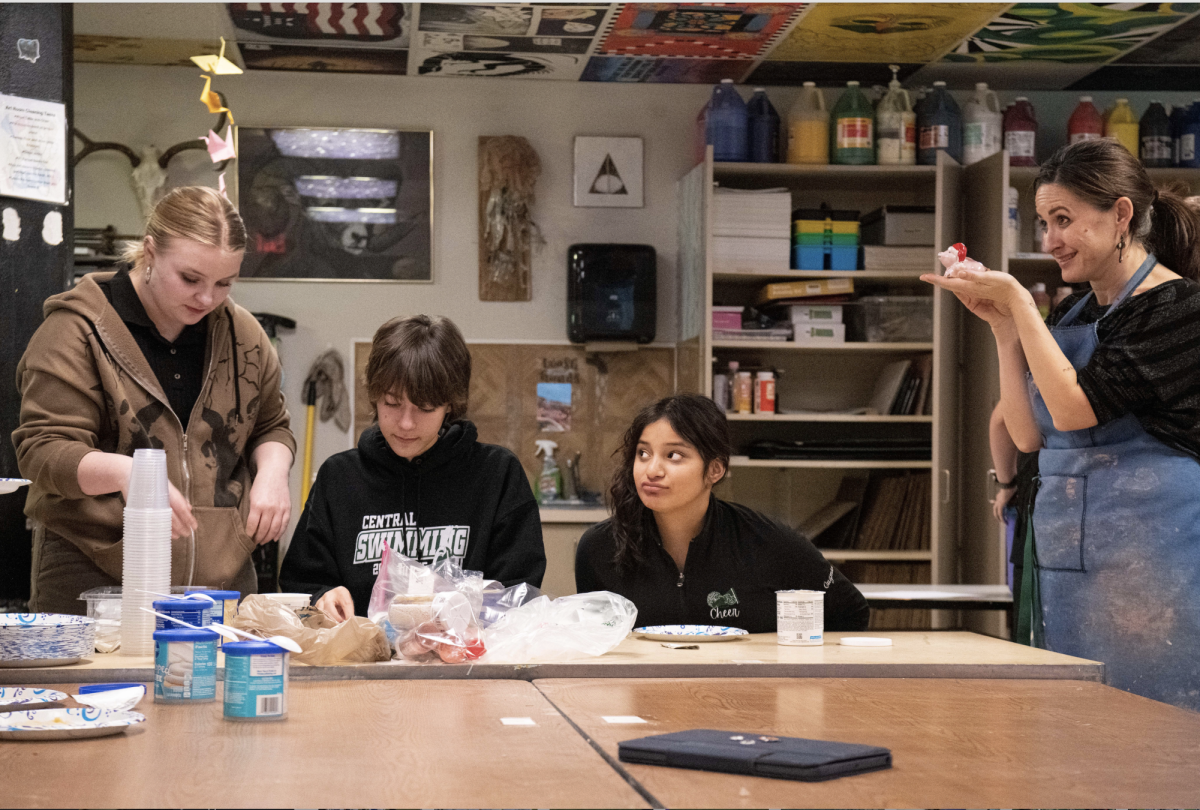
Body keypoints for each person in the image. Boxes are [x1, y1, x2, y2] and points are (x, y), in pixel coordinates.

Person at [923, 138, 1200, 710]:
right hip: (1067, 548)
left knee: (1154, 723)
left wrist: (1021, 305)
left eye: (1065, 220)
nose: (1050, 240)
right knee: (1074, 719)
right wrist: (1003, 327)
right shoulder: (1075, 312)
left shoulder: (1179, 308)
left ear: (1121, 214)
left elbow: (1076, 412)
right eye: (1044, 222)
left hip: (1155, 551)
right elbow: (1029, 435)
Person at [14, 186, 295, 613]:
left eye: (224, 283)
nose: (207, 298)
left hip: (218, 586)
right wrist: (129, 475)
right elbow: (43, 451)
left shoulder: (244, 336)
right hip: (94, 581)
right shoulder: (75, 331)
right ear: (149, 252)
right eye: (190, 278)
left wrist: (273, 473)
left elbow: (271, 424)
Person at [280, 315, 545, 621]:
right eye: (392, 403)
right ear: (375, 396)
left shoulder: (497, 475)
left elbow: (519, 593)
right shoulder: (339, 478)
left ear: (450, 405)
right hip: (361, 660)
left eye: (425, 408)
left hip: (467, 663)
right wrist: (321, 597)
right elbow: (300, 584)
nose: (406, 423)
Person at [575, 394, 869, 633]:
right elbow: (594, 643)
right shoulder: (599, 548)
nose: (652, 470)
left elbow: (851, 612)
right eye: (643, 453)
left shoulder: (767, 541)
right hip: (642, 699)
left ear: (715, 470)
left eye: (673, 455)